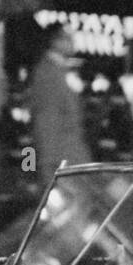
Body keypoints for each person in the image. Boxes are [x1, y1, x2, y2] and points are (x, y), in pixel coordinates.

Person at [28, 23, 91, 187]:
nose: (73, 42)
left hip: (69, 156)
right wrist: (49, 162)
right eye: (68, 38)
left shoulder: (59, 71)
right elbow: (46, 119)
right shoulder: (48, 73)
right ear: (55, 41)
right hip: (61, 158)